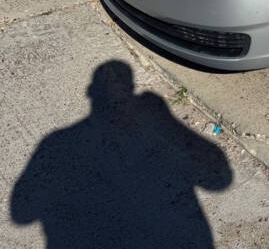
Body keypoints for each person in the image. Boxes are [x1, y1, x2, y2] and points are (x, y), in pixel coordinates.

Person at [11, 60, 232, 248]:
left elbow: (21, 212)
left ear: (90, 92)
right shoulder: (60, 143)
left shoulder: (57, 143)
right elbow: (219, 179)